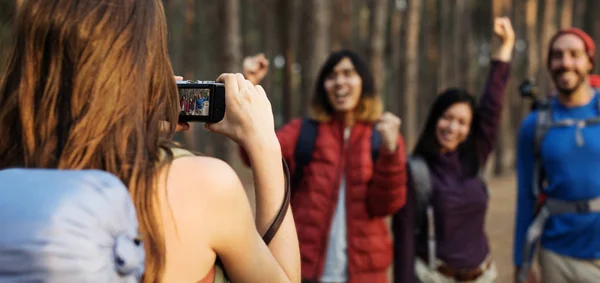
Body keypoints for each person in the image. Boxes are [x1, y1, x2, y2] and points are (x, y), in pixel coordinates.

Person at [0, 1, 301, 283]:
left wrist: (135, 129)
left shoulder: (11, 167)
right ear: (142, 61)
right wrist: (264, 144)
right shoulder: (204, 187)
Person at [243, 49, 407, 283]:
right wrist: (249, 85)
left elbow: (387, 205)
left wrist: (391, 152)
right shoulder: (304, 132)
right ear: (324, 87)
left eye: (348, 73)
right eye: (331, 76)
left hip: (365, 275)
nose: (339, 81)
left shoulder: (382, 136)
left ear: (364, 82)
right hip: (306, 270)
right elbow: (255, 151)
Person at [392, 17, 515, 283]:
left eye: (462, 122)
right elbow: (404, 240)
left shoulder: (473, 158)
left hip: (483, 275)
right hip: (436, 276)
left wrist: (504, 49)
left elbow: (491, 106)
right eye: (447, 118)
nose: (452, 127)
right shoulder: (416, 171)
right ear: (435, 119)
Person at [513, 27, 600, 283]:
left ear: (589, 61)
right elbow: (525, 199)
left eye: (574, 54)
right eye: (558, 55)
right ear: (550, 64)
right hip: (555, 256)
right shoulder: (535, 125)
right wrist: (522, 262)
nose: (566, 62)